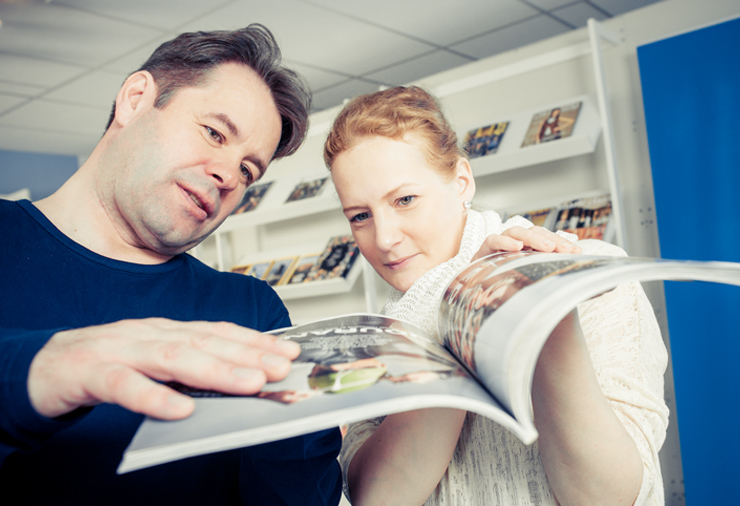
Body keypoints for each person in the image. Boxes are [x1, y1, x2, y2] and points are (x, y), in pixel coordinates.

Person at [0, 24, 343, 505]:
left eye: (248, 171)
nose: (227, 175)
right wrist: (40, 371)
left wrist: (315, 428)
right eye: (214, 132)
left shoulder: (250, 311)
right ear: (136, 98)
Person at [323, 86, 671, 506]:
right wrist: (458, 321)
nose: (385, 238)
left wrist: (542, 311)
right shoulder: (376, 341)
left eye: (405, 200)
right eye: (360, 216)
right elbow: (377, 500)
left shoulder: (589, 273)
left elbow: (607, 498)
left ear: (462, 182)